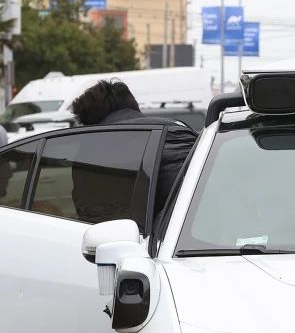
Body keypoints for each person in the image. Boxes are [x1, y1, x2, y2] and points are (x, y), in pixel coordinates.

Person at [69, 80, 199, 226]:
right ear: (134, 107)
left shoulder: (95, 151)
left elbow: (88, 210)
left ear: (91, 125)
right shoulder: (180, 130)